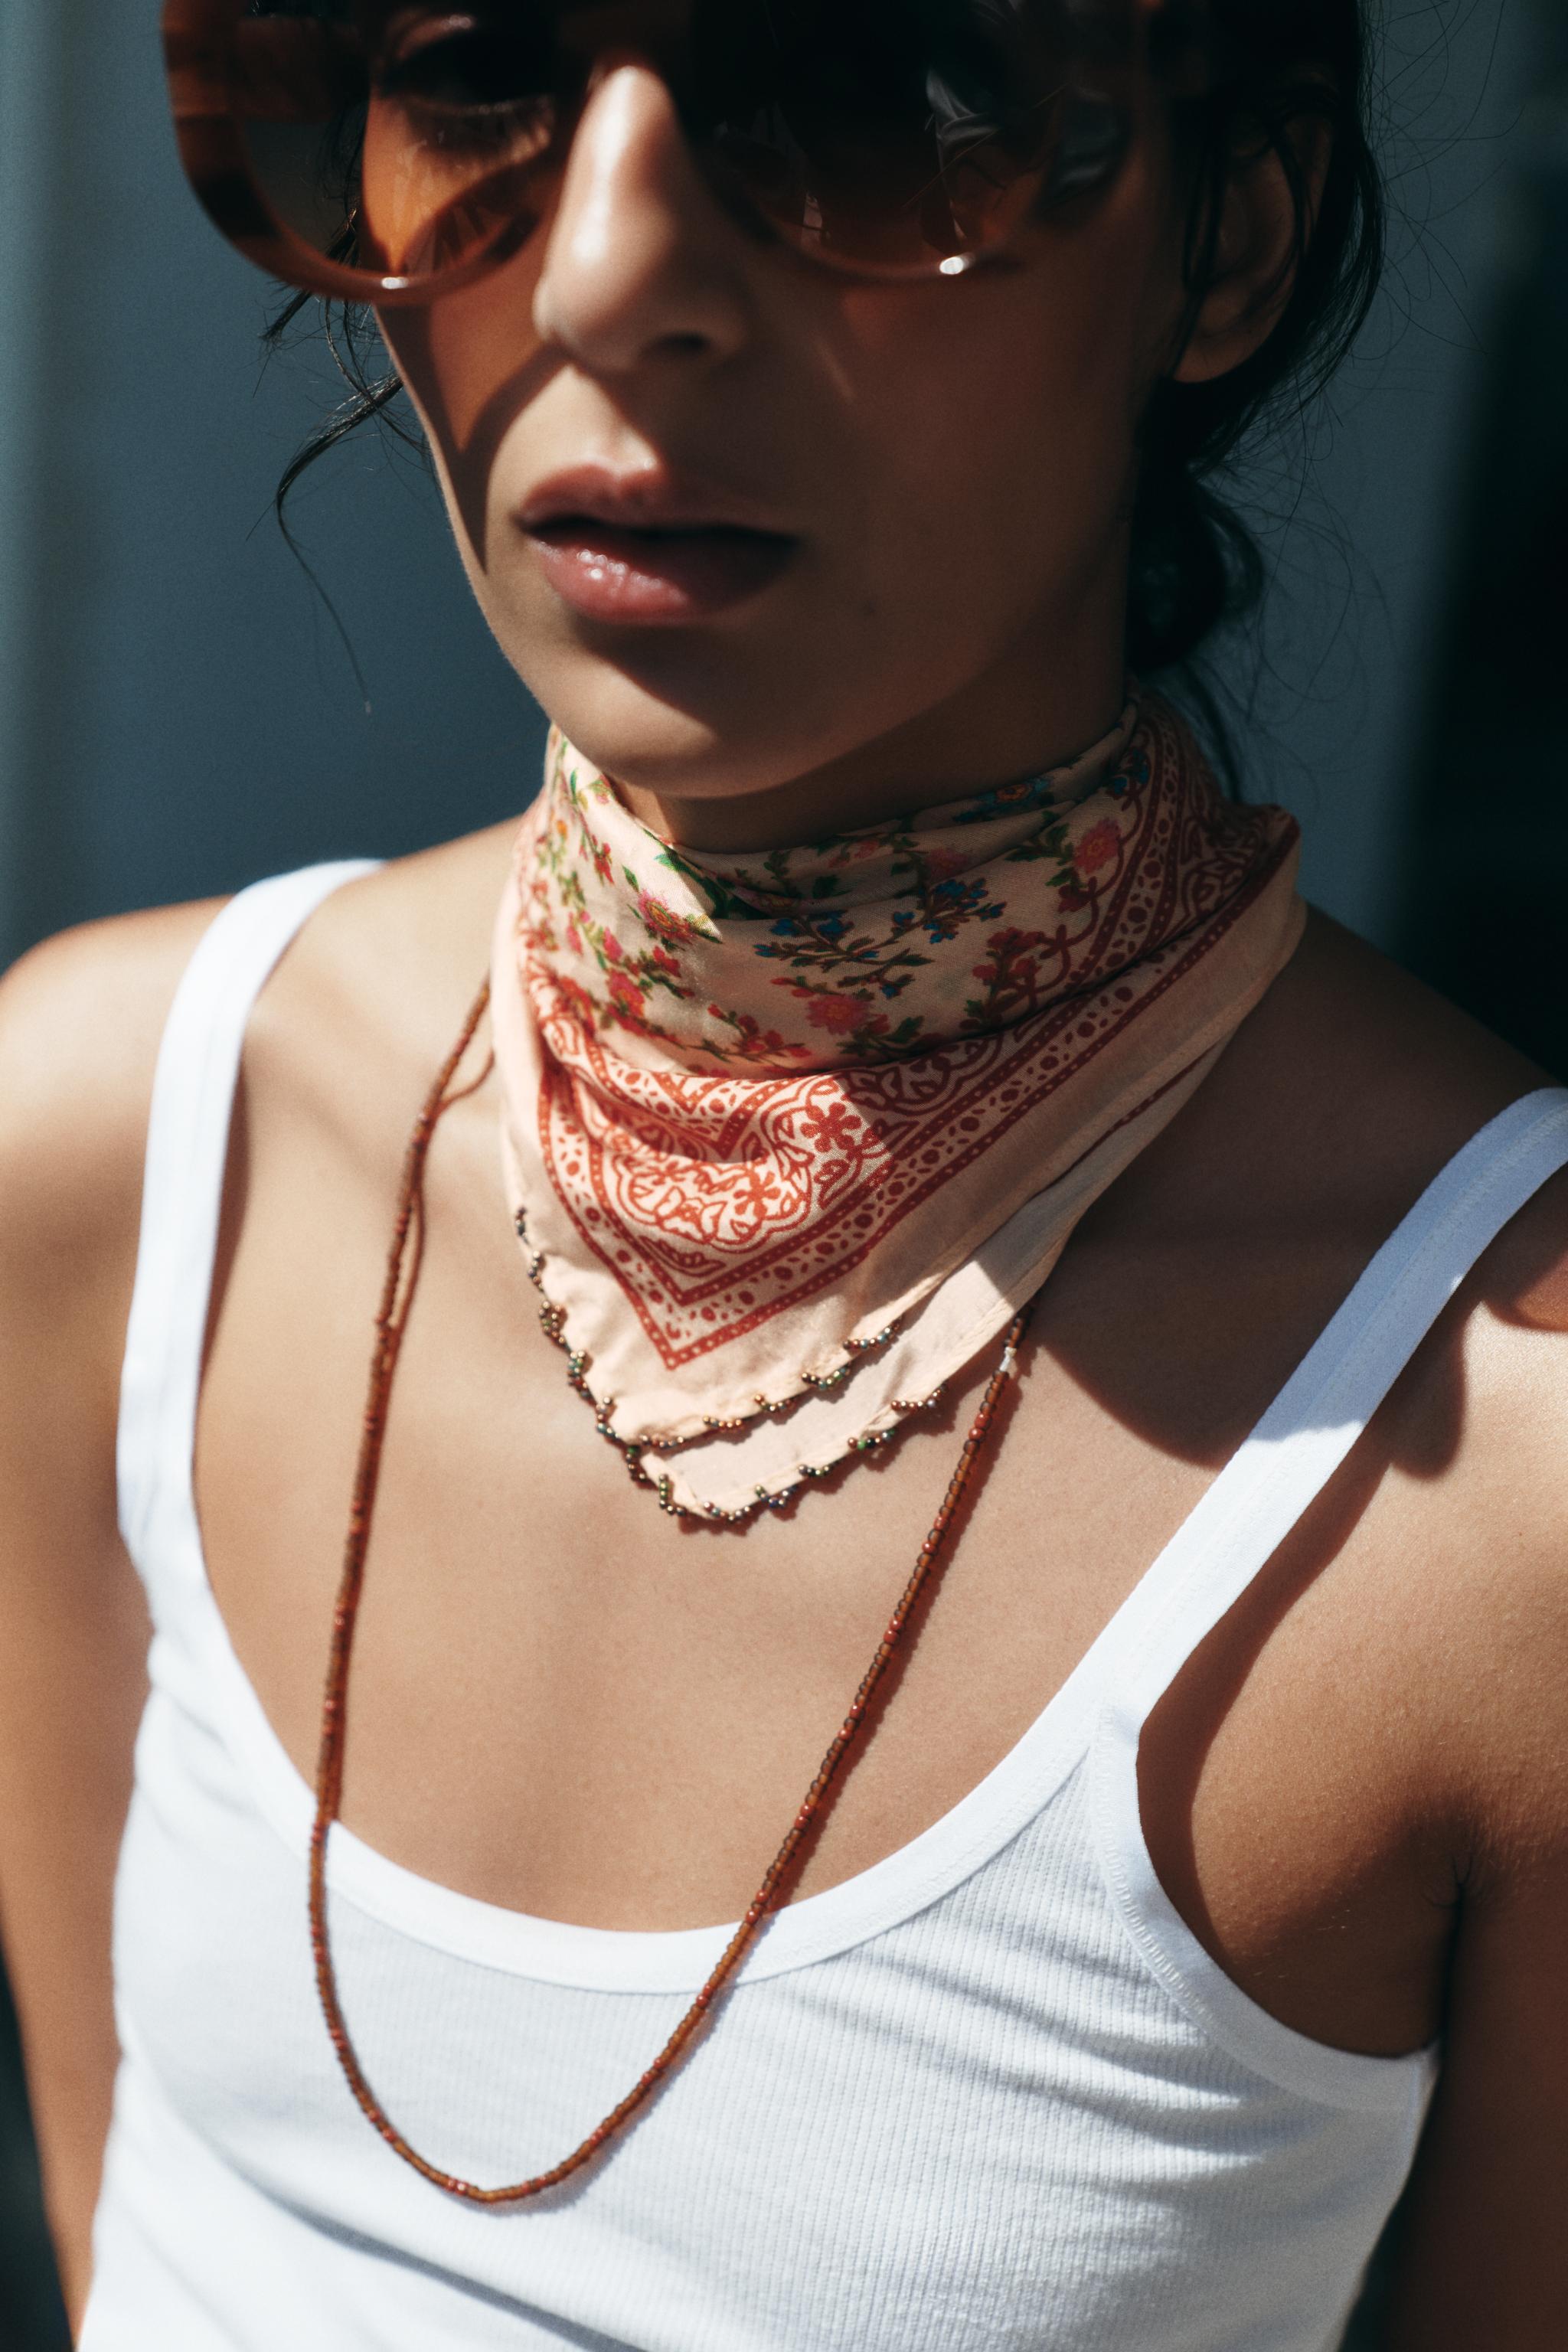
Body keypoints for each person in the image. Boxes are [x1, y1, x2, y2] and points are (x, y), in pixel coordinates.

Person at [1, 1, 1563, 2344]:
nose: (613, 271)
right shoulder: (126, 1164)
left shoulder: (1509, 1474)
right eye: (471, 75)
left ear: (1231, 238)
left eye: (869, 93)